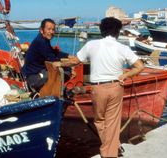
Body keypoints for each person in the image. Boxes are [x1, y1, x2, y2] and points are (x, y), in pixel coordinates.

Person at [53, 17, 144, 158]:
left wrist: (59, 64)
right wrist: (126, 76)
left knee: (99, 120)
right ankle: (111, 150)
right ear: (117, 32)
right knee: (112, 123)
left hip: (98, 89)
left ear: (102, 31)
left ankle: (108, 151)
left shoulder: (91, 45)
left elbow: (75, 61)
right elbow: (140, 66)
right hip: (115, 86)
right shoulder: (123, 48)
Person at [22, 18, 71, 92]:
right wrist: (70, 66)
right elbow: (53, 59)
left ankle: (54, 90)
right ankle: (52, 92)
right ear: (41, 30)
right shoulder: (41, 42)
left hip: (34, 73)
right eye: (49, 29)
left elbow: (53, 52)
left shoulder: (43, 40)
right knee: (66, 72)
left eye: (53, 29)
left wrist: (68, 55)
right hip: (33, 78)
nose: (51, 32)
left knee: (65, 70)